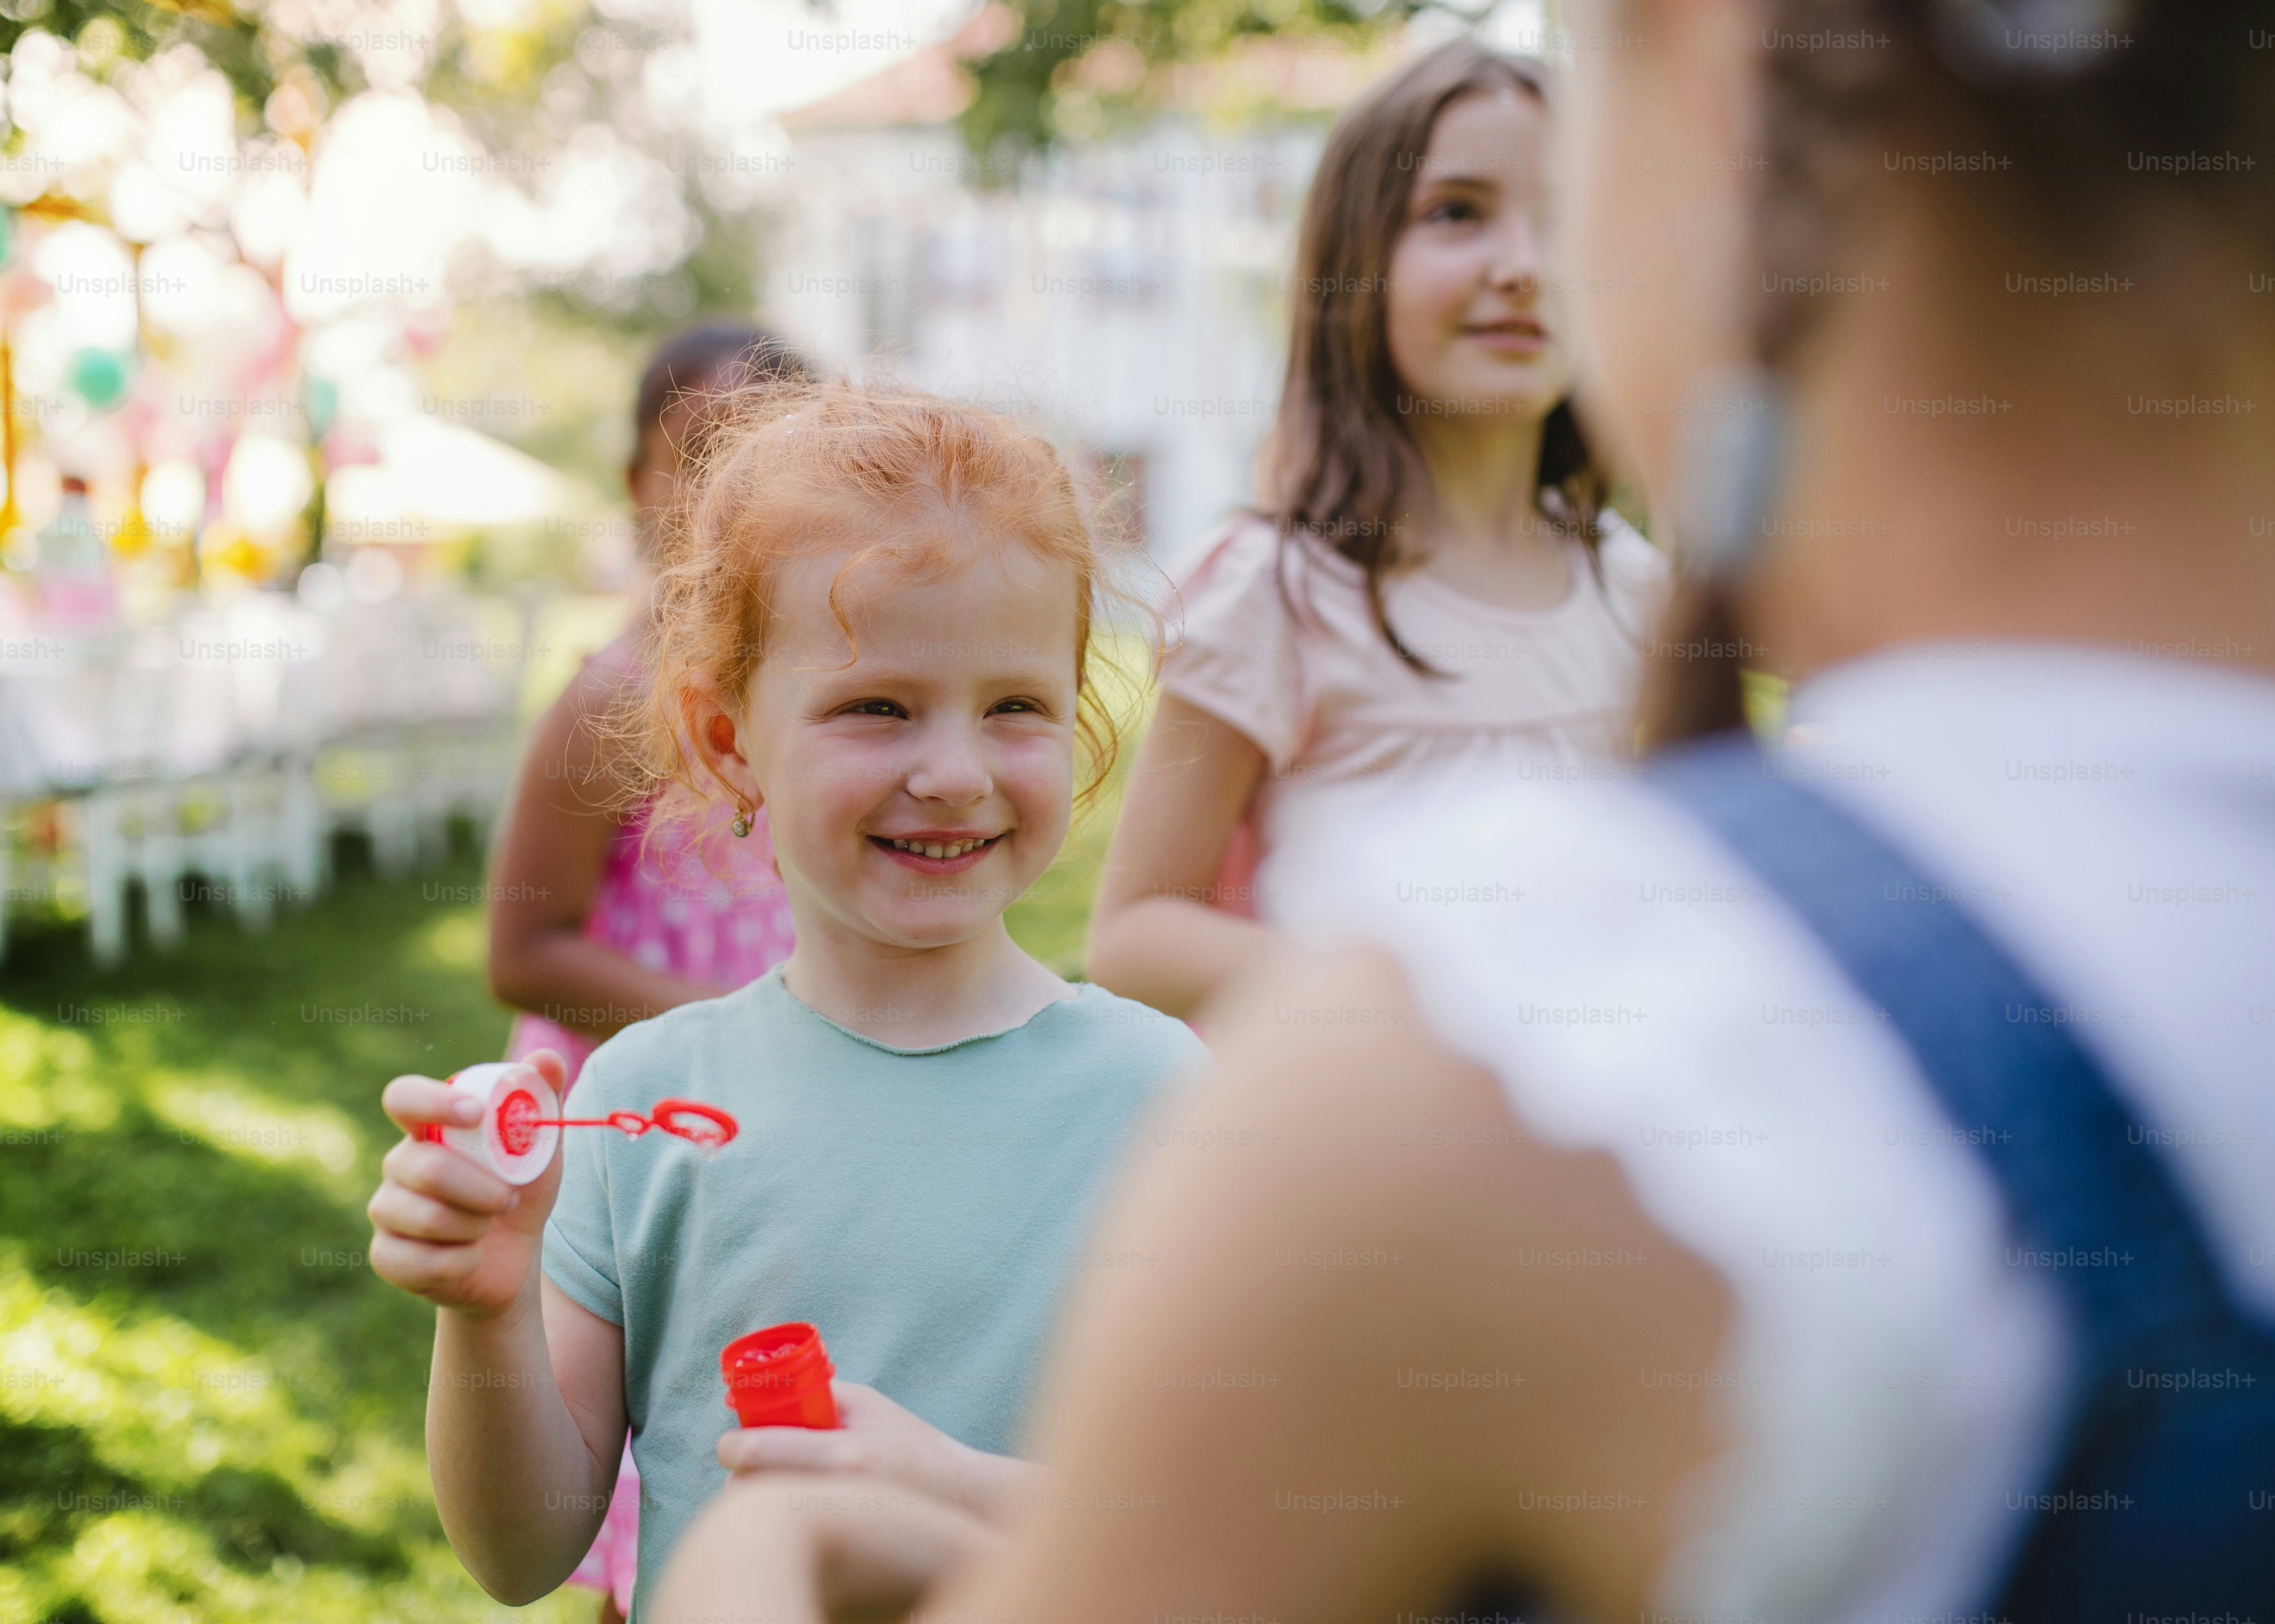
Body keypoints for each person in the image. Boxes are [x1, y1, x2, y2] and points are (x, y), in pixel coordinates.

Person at [650, 0, 2275, 1619]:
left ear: (1703, 63)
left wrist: (764, 1552)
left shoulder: (1476, 1085)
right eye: (1457, 211)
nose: (1527, 262)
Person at [365, 378, 1204, 1619]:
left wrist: (946, 1485)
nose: (954, 772)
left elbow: (1227, 1541)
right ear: (725, 737)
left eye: (1014, 707)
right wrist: (489, 1311)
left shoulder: (1169, 1100)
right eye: (877, 706)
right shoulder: (644, 1101)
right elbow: (521, 1549)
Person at [1085, 39, 1669, 1020]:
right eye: (1456, 213)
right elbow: (1133, 935)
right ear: (1354, 266)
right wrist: (1413, 1006)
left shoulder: (1638, 589)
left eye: (1563, 221)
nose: (1523, 266)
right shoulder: (1271, 592)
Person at [483, 323, 808, 1621]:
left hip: (779, 1115)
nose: (733, 492)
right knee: (644, 1435)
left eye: (771, 456)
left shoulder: (819, 687)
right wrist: (727, 1030)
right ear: (635, 483)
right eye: (699, 457)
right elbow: (522, 942)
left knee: (762, 1409)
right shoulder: (614, 698)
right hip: (647, 1120)